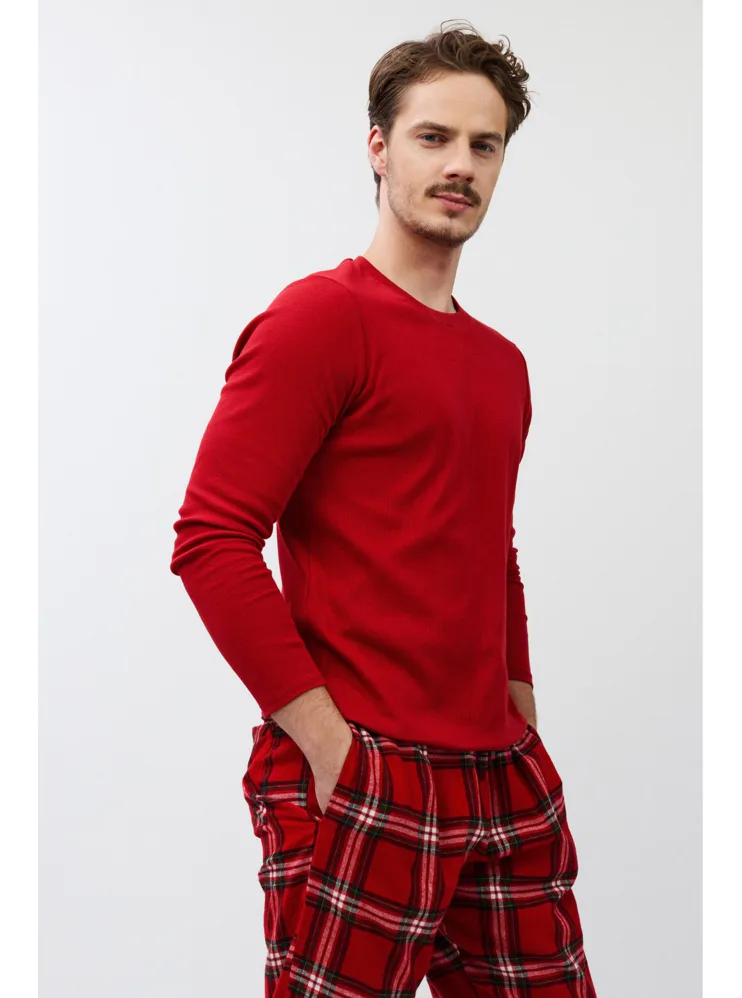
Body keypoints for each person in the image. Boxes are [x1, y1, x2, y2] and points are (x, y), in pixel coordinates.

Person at [170, 19, 597, 998]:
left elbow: (490, 549)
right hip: (365, 765)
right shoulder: (322, 319)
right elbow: (212, 540)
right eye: (432, 137)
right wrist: (331, 748)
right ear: (378, 146)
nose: (461, 166)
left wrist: (521, 718)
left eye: (484, 145)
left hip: (497, 770)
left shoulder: (501, 364)